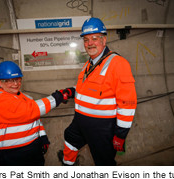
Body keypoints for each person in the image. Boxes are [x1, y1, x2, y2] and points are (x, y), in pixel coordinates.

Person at [58, 17, 137, 166]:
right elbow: (87, 89)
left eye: (94, 38)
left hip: (102, 128)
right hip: (80, 121)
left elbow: (127, 104)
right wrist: (70, 91)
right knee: (69, 137)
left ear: (104, 40)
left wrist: (120, 135)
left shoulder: (118, 64)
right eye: (86, 40)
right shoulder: (90, 63)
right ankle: (68, 165)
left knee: (103, 162)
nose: (90, 43)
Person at [0, 61, 66, 166]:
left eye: (18, 79)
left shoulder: (24, 97)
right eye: (10, 81)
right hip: (11, 154)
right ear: (0, 82)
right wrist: (58, 97)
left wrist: (42, 138)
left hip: (30, 149)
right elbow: (32, 110)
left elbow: (34, 118)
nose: (16, 84)